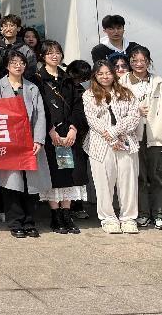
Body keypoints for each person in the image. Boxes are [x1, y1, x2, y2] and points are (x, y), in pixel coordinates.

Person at [0, 50, 50, 238]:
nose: (18, 65)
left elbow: (40, 115)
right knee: (12, 183)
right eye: (14, 62)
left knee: (31, 184)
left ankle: (29, 222)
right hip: (9, 142)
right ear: (7, 66)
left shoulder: (32, 87)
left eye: (21, 62)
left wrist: (38, 139)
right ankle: (15, 223)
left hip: (30, 142)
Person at [32, 40, 86, 235]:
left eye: (57, 52)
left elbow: (78, 106)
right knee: (53, 174)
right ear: (42, 56)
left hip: (69, 135)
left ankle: (66, 213)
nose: (54, 56)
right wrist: (49, 130)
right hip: (49, 135)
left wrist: (73, 128)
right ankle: (55, 215)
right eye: (49, 53)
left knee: (70, 173)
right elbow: (38, 108)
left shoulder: (68, 79)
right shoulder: (37, 80)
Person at [83, 60, 142, 234]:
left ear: (114, 73)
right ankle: (108, 218)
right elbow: (92, 120)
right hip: (100, 145)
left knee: (128, 182)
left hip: (126, 142)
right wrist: (110, 138)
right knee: (104, 183)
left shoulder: (126, 92)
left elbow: (134, 117)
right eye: (100, 73)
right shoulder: (89, 95)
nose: (105, 77)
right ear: (95, 76)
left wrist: (115, 132)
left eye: (108, 72)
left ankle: (128, 218)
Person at [120, 46, 162, 229]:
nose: (138, 64)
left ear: (148, 62)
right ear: (129, 62)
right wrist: (135, 110)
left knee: (157, 176)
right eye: (134, 60)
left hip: (155, 134)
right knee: (139, 177)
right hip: (132, 136)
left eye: (142, 60)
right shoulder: (122, 82)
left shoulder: (158, 81)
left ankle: (159, 213)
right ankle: (143, 213)